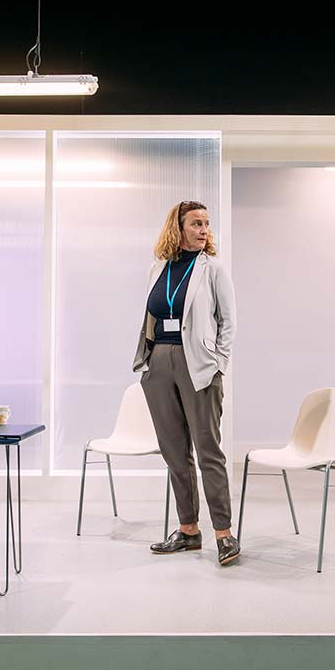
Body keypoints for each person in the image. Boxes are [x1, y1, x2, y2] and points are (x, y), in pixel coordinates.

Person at [133, 200, 240, 565]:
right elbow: (151, 314)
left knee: (208, 452)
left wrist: (218, 363)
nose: (203, 230)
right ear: (176, 228)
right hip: (160, 361)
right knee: (175, 453)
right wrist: (148, 362)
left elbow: (228, 322)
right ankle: (189, 530)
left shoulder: (213, 269)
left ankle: (224, 534)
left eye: (207, 224)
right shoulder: (157, 268)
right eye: (196, 223)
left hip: (199, 366)